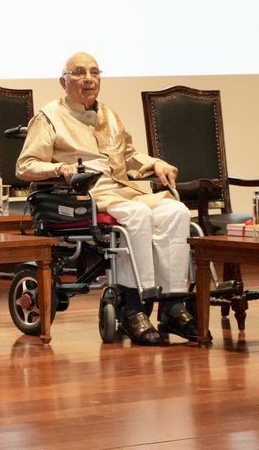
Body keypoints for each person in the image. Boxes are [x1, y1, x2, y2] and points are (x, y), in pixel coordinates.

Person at [16, 51, 198, 346]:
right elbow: (25, 166)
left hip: (125, 190)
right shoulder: (49, 116)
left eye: (94, 72)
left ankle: (173, 306)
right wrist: (60, 168)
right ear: (63, 81)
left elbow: (129, 157)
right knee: (136, 217)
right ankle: (132, 307)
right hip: (85, 195)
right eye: (79, 73)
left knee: (175, 211)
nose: (88, 79)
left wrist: (155, 164)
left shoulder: (110, 115)